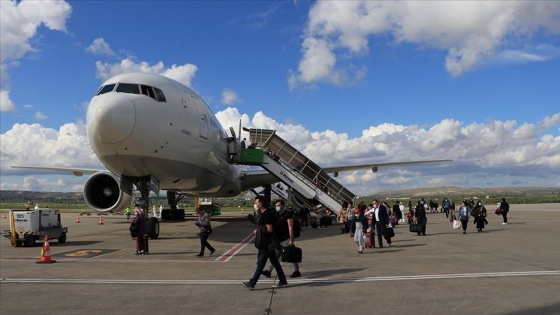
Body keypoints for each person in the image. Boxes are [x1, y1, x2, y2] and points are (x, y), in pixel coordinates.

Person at [241, 196, 288, 290]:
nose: (255, 204)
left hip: (267, 243)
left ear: (261, 203)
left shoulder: (266, 214)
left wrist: (258, 231)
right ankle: (283, 280)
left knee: (261, 263)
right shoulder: (264, 212)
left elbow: (269, 229)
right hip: (268, 243)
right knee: (274, 262)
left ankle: (252, 282)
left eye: (256, 202)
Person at [261, 200, 301, 279]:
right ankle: (269, 271)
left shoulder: (287, 214)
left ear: (283, 206)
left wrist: (291, 239)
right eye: (276, 205)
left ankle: (296, 271)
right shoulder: (277, 214)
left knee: (289, 253)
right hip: (279, 238)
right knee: (279, 255)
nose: (277, 207)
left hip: (286, 238)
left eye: (279, 205)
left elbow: (290, 227)